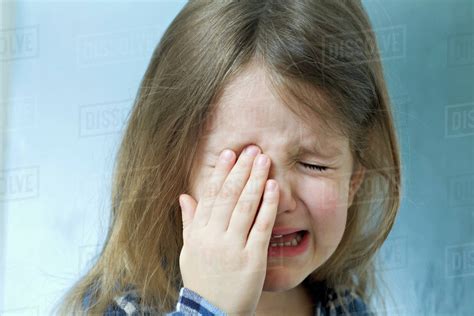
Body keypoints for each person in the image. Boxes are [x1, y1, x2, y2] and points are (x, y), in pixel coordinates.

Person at [56, 0, 401, 315]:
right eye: (239, 164)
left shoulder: (345, 309)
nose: (276, 198)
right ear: (172, 170)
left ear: (354, 179)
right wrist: (209, 307)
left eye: (315, 165)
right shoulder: (123, 308)